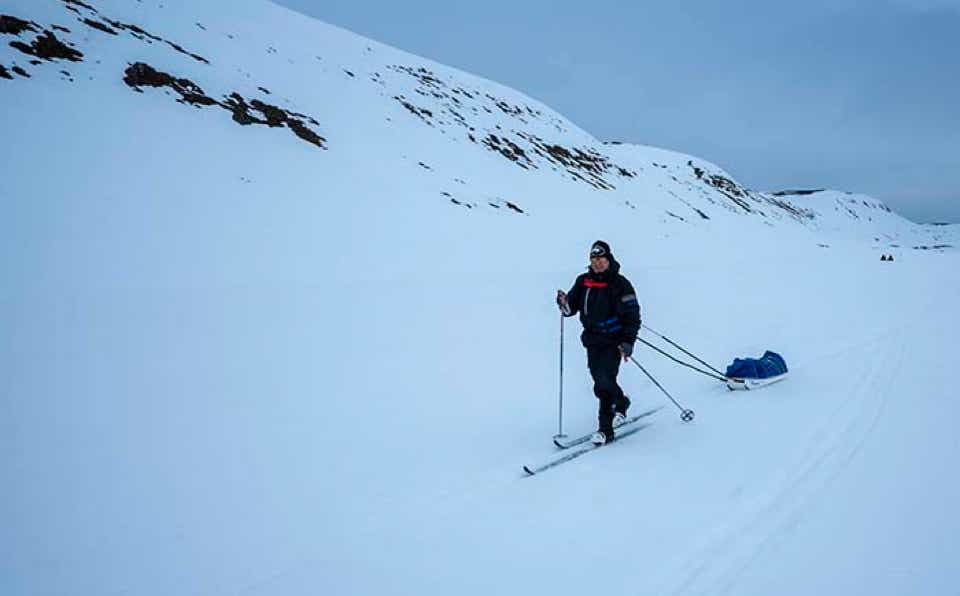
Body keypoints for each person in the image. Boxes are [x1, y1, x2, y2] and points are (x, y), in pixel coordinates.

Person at [556, 240, 641, 445]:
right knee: (600, 380)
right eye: (594, 259)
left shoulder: (621, 284)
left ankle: (605, 429)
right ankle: (621, 401)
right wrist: (564, 303)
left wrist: (628, 342)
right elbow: (571, 309)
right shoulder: (583, 281)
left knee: (604, 382)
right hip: (592, 340)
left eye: (601, 259)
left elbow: (633, 316)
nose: (597, 263)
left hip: (614, 340)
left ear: (609, 259)